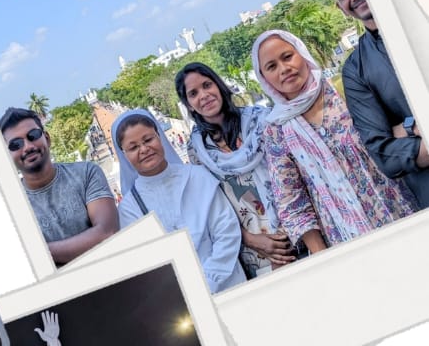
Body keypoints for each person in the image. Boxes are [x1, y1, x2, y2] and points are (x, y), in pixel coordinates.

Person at [253, 29, 417, 253]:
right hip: (344, 236)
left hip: (398, 204)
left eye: (287, 56)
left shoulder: (343, 88)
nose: (284, 69)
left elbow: (385, 135)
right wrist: (324, 256)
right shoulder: (276, 128)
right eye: (271, 66)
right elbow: (291, 200)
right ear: (264, 77)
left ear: (301, 53)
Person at [318, 0, 429, 211]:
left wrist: (405, 128)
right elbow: (385, 154)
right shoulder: (356, 70)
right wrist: (417, 127)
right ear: (340, 8)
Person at [175, 63, 294, 279]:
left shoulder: (262, 120)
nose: (204, 95)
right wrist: (249, 239)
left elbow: (292, 172)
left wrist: (290, 228)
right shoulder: (196, 150)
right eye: (193, 93)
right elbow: (211, 205)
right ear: (189, 105)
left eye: (207, 85)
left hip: (296, 226)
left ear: (219, 86)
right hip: (254, 250)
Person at [114, 110, 246, 292]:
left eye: (148, 140)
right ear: (124, 155)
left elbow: (226, 230)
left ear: (159, 137)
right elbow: (145, 262)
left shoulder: (197, 176)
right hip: (180, 295)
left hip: (229, 283)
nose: (144, 149)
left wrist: (209, 281)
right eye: (133, 147)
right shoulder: (129, 208)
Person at [0, 107, 118, 264]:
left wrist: (39, 253)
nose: (27, 146)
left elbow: (107, 232)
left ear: (47, 139)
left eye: (33, 136)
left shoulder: (86, 173)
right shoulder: (9, 208)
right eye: (15, 144)